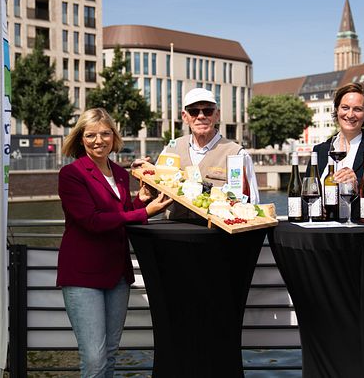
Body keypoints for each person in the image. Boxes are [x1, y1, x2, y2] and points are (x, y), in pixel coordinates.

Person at [57, 108, 172, 377]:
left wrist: (140, 200)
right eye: (91, 135)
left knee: (109, 353)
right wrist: (145, 212)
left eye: (105, 133)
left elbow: (121, 215)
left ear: (114, 136)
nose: (99, 140)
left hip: (117, 274)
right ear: (80, 138)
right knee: (95, 358)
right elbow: (93, 221)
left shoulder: (120, 173)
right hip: (83, 277)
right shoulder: (72, 174)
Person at [136, 87, 260, 218]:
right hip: (172, 231)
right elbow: (155, 191)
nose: (201, 116)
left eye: (208, 111)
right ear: (185, 117)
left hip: (215, 235)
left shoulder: (238, 154)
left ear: (217, 115)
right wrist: (142, 174)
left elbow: (252, 204)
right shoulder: (171, 149)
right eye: (194, 111)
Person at [306, 82, 364, 220]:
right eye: (345, 107)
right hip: (323, 232)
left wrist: (357, 184)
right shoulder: (320, 150)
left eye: (357, 109)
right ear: (337, 109)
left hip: (362, 231)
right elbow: (306, 191)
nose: (350, 115)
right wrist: (313, 207)